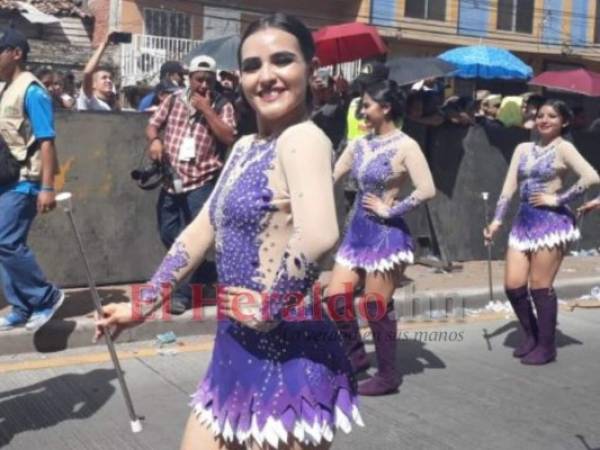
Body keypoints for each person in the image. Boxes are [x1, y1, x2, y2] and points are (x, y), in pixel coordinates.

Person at [96, 13, 362, 450]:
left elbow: (318, 234)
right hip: (234, 348)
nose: (267, 76)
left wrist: (269, 308)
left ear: (311, 71)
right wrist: (144, 303)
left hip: (288, 359)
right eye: (253, 66)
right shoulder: (243, 146)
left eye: (282, 61)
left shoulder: (304, 139)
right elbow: (199, 231)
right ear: (239, 77)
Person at [327, 80, 436, 396]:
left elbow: (427, 189)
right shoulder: (359, 143)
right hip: (357, 232)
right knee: (336, 298)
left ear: (385, 108)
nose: (362, 110)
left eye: (367, 104)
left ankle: (388, 375)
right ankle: (357, 355)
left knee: (374, 305)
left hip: (386, 235)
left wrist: (393, 210)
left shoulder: (406, 145)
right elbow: (332, 175)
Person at [484, 100, 600, 365]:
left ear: (564, 122)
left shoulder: (565, 148)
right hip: (524, 222)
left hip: (551, 223)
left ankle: (546, 346)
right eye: (540, 116)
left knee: (540, 285)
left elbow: (592, 177)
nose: (544, 120)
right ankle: (532, 334)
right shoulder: (523, 148)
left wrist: (558, 199)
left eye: (552, 116)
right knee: (513, 285)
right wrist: (497, 221)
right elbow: (508, 187)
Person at [145, 54, 236, 314]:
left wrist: (207, 110)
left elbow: (228, 136)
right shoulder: (174, 100)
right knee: (167, 232)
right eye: (199, 80)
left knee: (190, 238)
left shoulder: (222, 105)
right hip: (171, 180)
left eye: (208, 81)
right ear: (189, 78)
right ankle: (206, 270)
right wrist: (155, 141)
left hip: (203, 181)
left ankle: (183, 295)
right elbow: (153, 125)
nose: (204, 86)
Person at [0, 28, 64, 331]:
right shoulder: (6, 88)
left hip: (26, 180)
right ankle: (21, 306)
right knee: (6, 244)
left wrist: (47, 187)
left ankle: (46, 297)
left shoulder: (32, 91)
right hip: (7, 179)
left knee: (6, 241)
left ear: (16, 53)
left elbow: (46, 141)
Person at [77, 31, 119, 111]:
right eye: (104, 78)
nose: (109, 81)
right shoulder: (89, 100)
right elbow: (88, 72)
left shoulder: (109, 105)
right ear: (94, 84)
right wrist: (103, 45)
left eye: (110, 78)